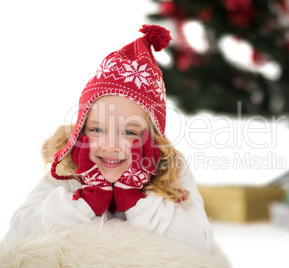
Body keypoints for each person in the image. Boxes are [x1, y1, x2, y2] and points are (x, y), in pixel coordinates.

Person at [6, 24, 213, 253]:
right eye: (97, 130)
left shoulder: (171, 170)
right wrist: (87, 199)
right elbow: (19, 229)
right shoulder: (69, 169)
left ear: (153, 140)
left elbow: (201, 242)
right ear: (80, 132)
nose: (110, 146)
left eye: (129, 132)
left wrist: (135, 200)